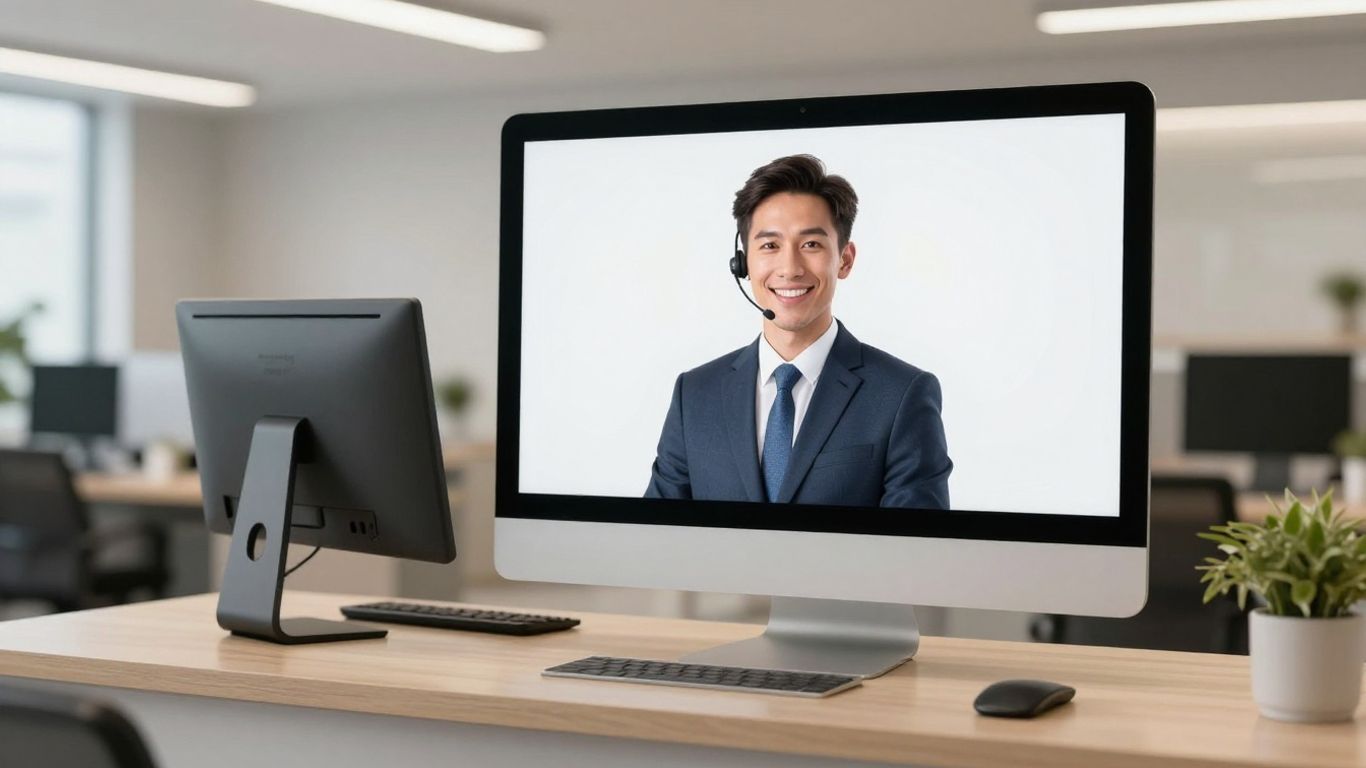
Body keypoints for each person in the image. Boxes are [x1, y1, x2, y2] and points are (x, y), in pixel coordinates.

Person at [645, 154, 952, 509]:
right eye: (770, 245)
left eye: (811, 244)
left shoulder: (902, 395)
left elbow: (915, 555)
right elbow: (659, 541)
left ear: (845, 260)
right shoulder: (695, 395)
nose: (789, 268)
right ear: (743, 263)